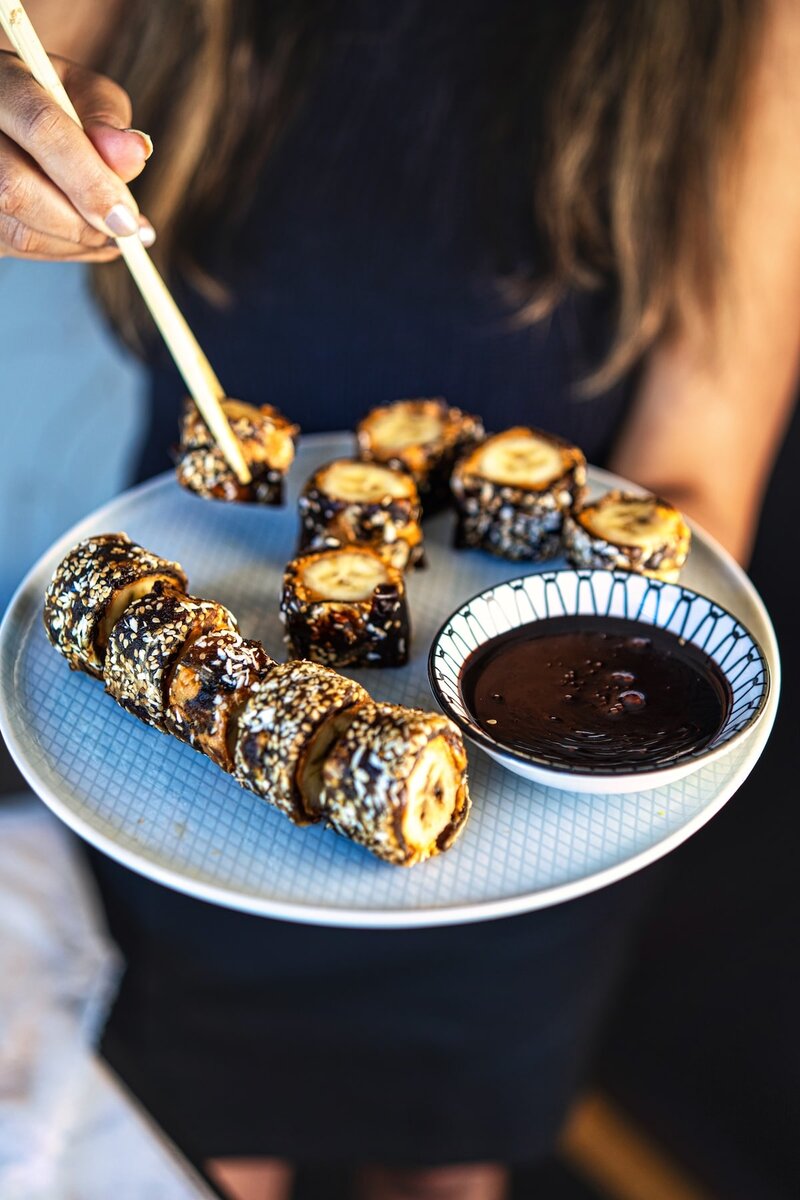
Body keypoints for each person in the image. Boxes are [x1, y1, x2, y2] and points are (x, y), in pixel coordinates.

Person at [2, 3, 798, 1198]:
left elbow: (695, 479)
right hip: (177, 755)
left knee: (447, 1159)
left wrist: (573, 721)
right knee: (188, 1145)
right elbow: (23, 69)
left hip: (523, 804)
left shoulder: (736, 28)